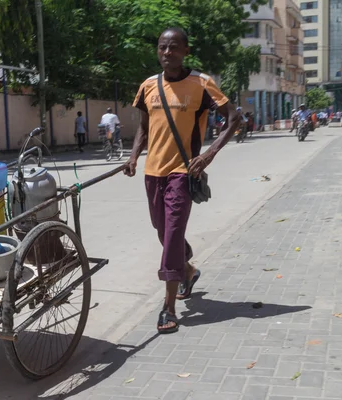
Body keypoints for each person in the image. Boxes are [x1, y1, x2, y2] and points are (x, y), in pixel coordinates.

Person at [124, 27, 240, 334]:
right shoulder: (149, 85)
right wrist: (135, 156)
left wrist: (210, 154)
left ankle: (168, 307)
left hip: (183, 171)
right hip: (153, 172)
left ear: (186, 51)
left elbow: (234, 117)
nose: (166, 53)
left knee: (173, 234)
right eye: (162, 47)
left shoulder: (201, 84)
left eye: (173, 47)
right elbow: (144, 126)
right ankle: (187, 270)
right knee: (162, 230)